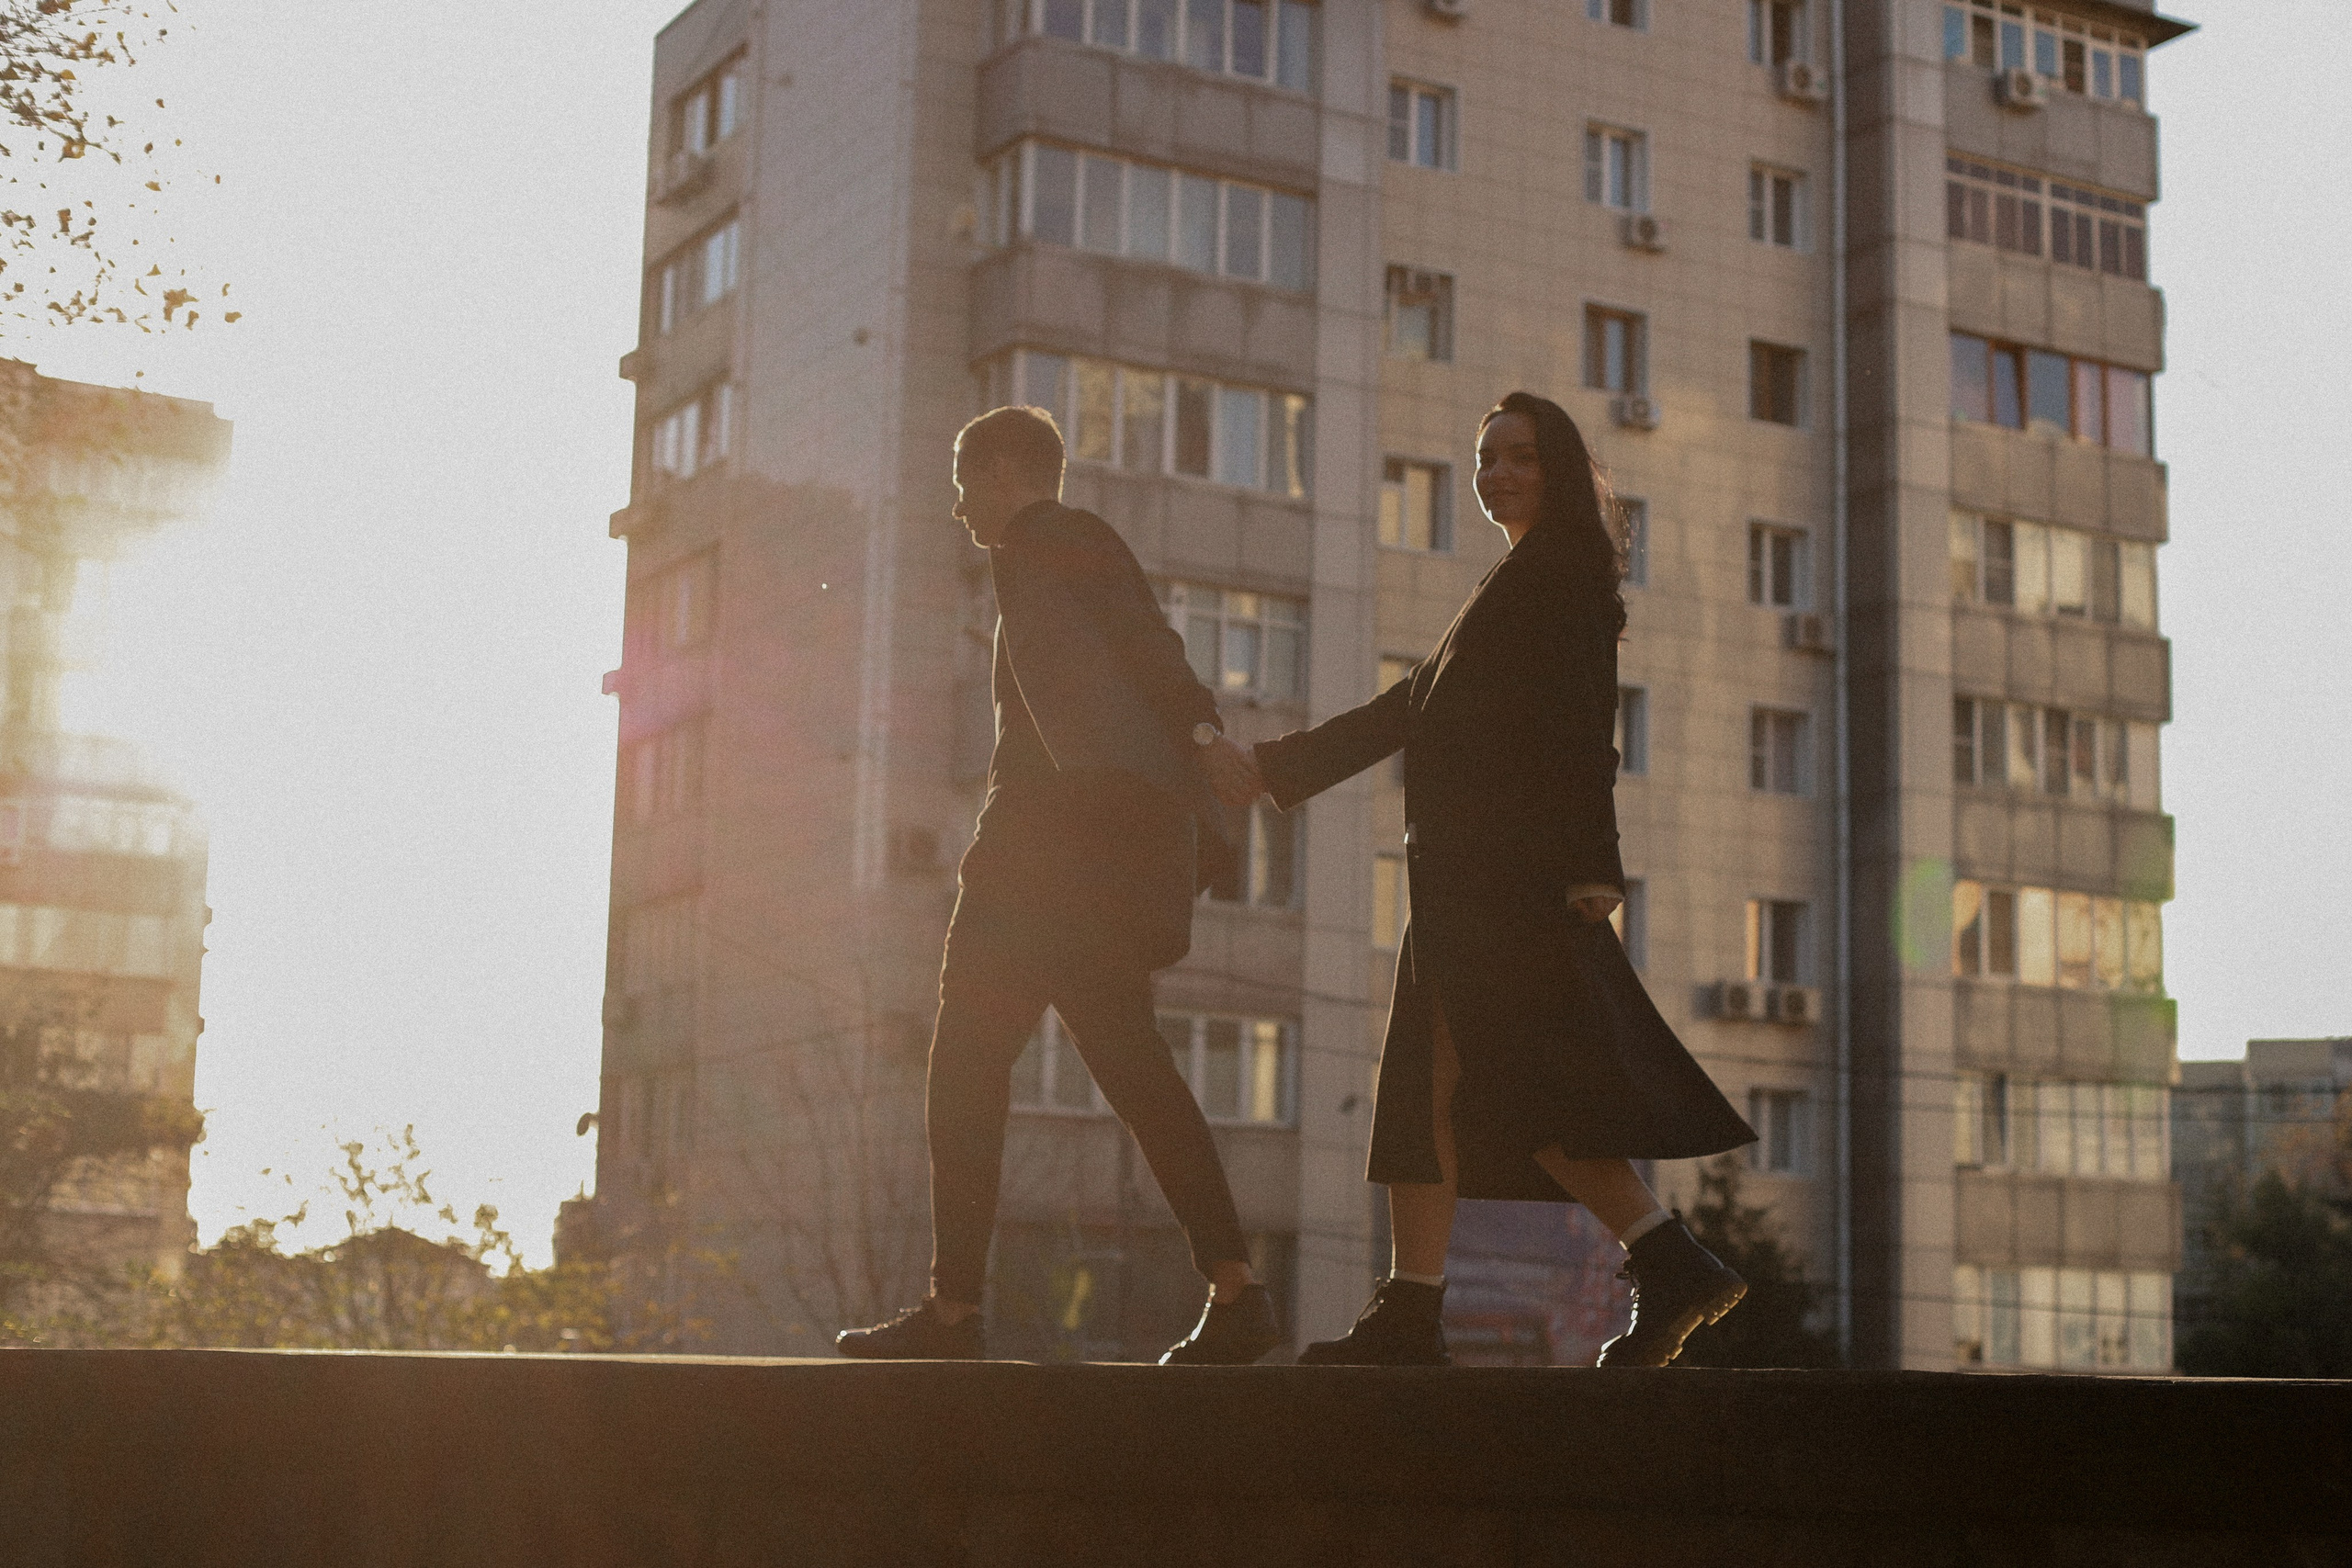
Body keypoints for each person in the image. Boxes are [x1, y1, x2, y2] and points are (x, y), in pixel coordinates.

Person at [1243, 392, 1757, 1368]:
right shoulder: (1514, 579)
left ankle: (1661, 1260)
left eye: (1517, 456)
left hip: (1503, 882)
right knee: (1431, 1093)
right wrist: (1277, 769)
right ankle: (1417, 1307)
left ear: (1557, 467)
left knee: (1516, 1094)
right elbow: (1411, 706)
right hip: (1465, 879)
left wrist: (1590, 864)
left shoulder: (1555, 575)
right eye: (1484, 459)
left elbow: (1582, 728)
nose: (1497, 475)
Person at [836, 405, 1280, 1366]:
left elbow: (1147, 646)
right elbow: (1146, 644)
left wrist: (1202, 737)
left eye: (963, 483)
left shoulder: (1045, 537)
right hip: (1090, 863)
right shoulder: (1069, 547)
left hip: (1044, 855)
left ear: (1001, 470)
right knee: (1131, 1064)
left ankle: (954, 1316)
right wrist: (1197, 742)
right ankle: (1237, 1288)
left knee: (965, 1063)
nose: (958, 508)